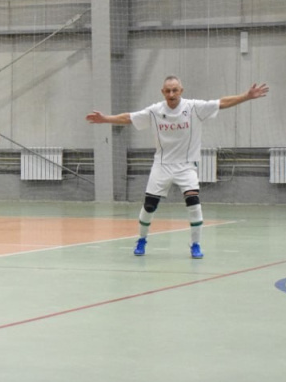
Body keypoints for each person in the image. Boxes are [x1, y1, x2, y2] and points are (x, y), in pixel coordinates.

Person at [86, 76, 269, 259]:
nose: (171, 94)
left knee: (193, 203)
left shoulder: (194, 107)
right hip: (162, 165)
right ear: (162, 92)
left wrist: (246, 96)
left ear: (181, 91)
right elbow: (129, 117)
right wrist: (105, 119)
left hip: (186, 166)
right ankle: (141, 240)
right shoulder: (155, 111)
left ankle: (195, 244)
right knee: (149, 206)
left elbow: (221, 103)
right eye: (168, 91)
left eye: (175, 90)